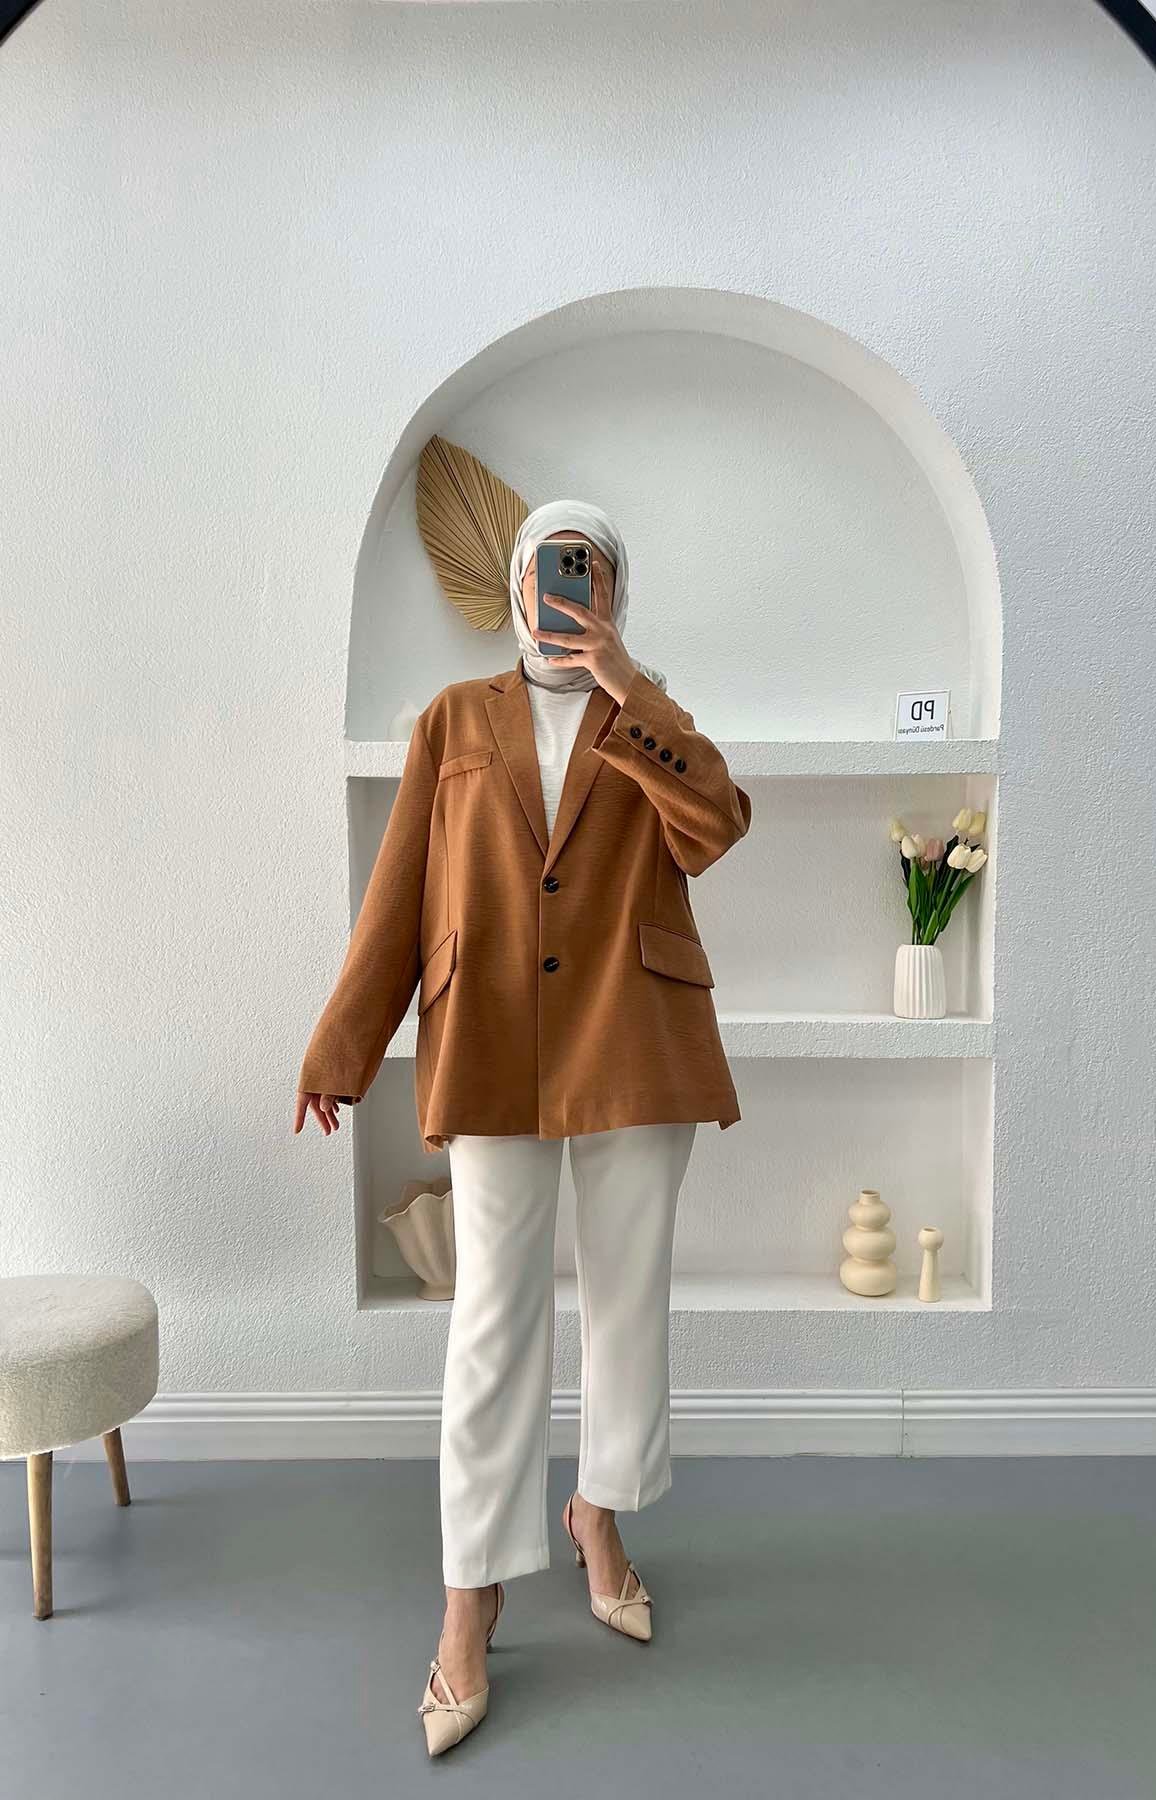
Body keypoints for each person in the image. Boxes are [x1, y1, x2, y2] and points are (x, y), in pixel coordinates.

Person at [295, 499, 752, 1755]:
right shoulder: (455, 719)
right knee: (492, 1321)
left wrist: (626, 682)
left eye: (589, 573)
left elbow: (716, 828)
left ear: (613, 590)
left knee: (627, 1300)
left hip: (633, 1033)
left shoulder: (644, 710)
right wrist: (341, 1046)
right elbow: (399, 893)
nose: (568, 590)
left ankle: (600, 1513)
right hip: (491, 1033)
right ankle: (471, 1592)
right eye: (554, 572)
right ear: (516, 584)